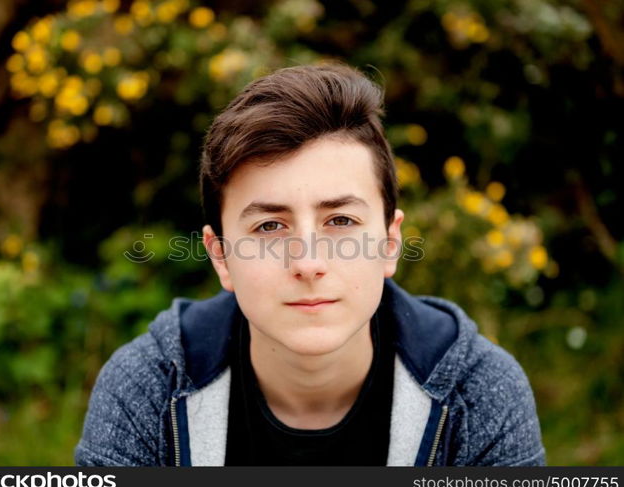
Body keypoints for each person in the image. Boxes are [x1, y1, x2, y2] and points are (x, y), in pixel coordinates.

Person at [75, 63, 545, 466]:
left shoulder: (478, 393)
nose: (309, 263)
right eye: (269, 227)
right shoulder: (147, 391)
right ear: (221, 256)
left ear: (389, 242)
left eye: (340, 220)